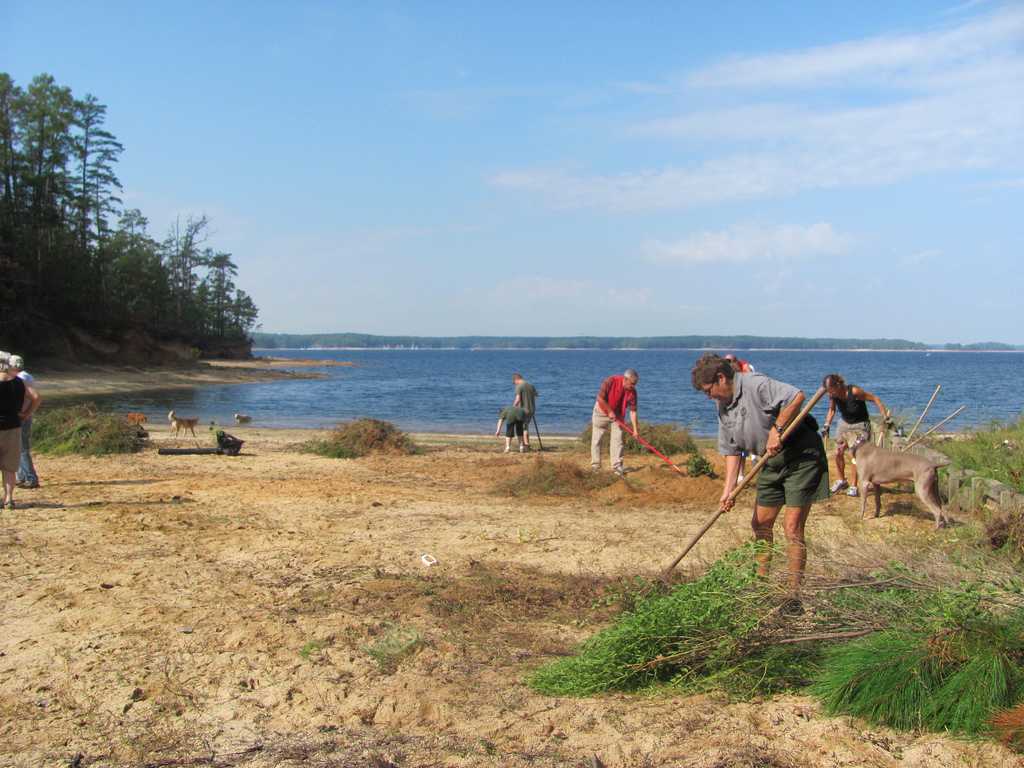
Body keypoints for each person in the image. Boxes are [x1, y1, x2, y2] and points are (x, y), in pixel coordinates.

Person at [691, 353, 828, 604]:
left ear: (721, 378)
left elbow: (796, 396)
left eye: (709, 390)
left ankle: (793, 595)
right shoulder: (722, 405)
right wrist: (728, 490)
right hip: (769, 462)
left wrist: (777, 430)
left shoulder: (755, 384)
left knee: (792, 528)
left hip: (801, 457)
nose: (708, 396)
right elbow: (732, 450)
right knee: (760, 524)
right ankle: (760, 584)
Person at [821, 373, 892, 497]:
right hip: (844, 424)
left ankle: (854, 486)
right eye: (828, 391)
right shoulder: (832, 395)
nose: (830, 393)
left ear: (838, 385)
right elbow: (832, 410)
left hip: (860, 425)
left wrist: (884, 415)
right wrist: (827, 425)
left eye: (831, 390)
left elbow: (875, 399)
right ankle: (841, 480)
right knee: (838, 452)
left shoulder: (854, 391)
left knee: (855, 454)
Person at [0, 352, 39, 510]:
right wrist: (25, 414)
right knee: (10, 466)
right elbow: (36, 397)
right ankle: (8, 499)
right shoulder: (19, 382)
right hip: (13, 426)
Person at [591, 369, 639, 477]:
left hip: (618, 415)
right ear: (625, 379)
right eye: (632, 384)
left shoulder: (633, 392)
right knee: (597, 439)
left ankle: (617, 467)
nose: (633, 386)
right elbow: (600, 398)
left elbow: (633, 411)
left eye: (635, 384)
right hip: (601, 411)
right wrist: (609, 411)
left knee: (618, 439)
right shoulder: (610, 381)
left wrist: (635, 430)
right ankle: (596, 466)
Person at [724, 354, 757, 480]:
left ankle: (753, 455)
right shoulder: (728, 371)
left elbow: (751, 382)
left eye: (730, 361)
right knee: (738, 440)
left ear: (735, 361)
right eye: (726, 361)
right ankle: (741, 474)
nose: (728, 363)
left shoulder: (746, 367)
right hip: (736, 408)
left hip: (747, 407)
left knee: (747, 433)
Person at [10, 355, 41, 489]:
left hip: (21, 417)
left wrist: (25, 413)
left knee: (22, 448)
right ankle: (22, 476)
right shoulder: (27, 375)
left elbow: (34, 397)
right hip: (24, 416)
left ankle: (30, 477)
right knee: (19, 448)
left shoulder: (20, 378)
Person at [511, 373, 538, 450]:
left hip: (523, 410)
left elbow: (518, 399)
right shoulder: (531, 385)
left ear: (516, 379)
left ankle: (526, 445)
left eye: (514, 382)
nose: (514, 384)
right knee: (525, 427)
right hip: (532, 409)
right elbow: (536, 395)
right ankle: (526, 444)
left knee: (523, 428)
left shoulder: (519, 386)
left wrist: (513, 407)